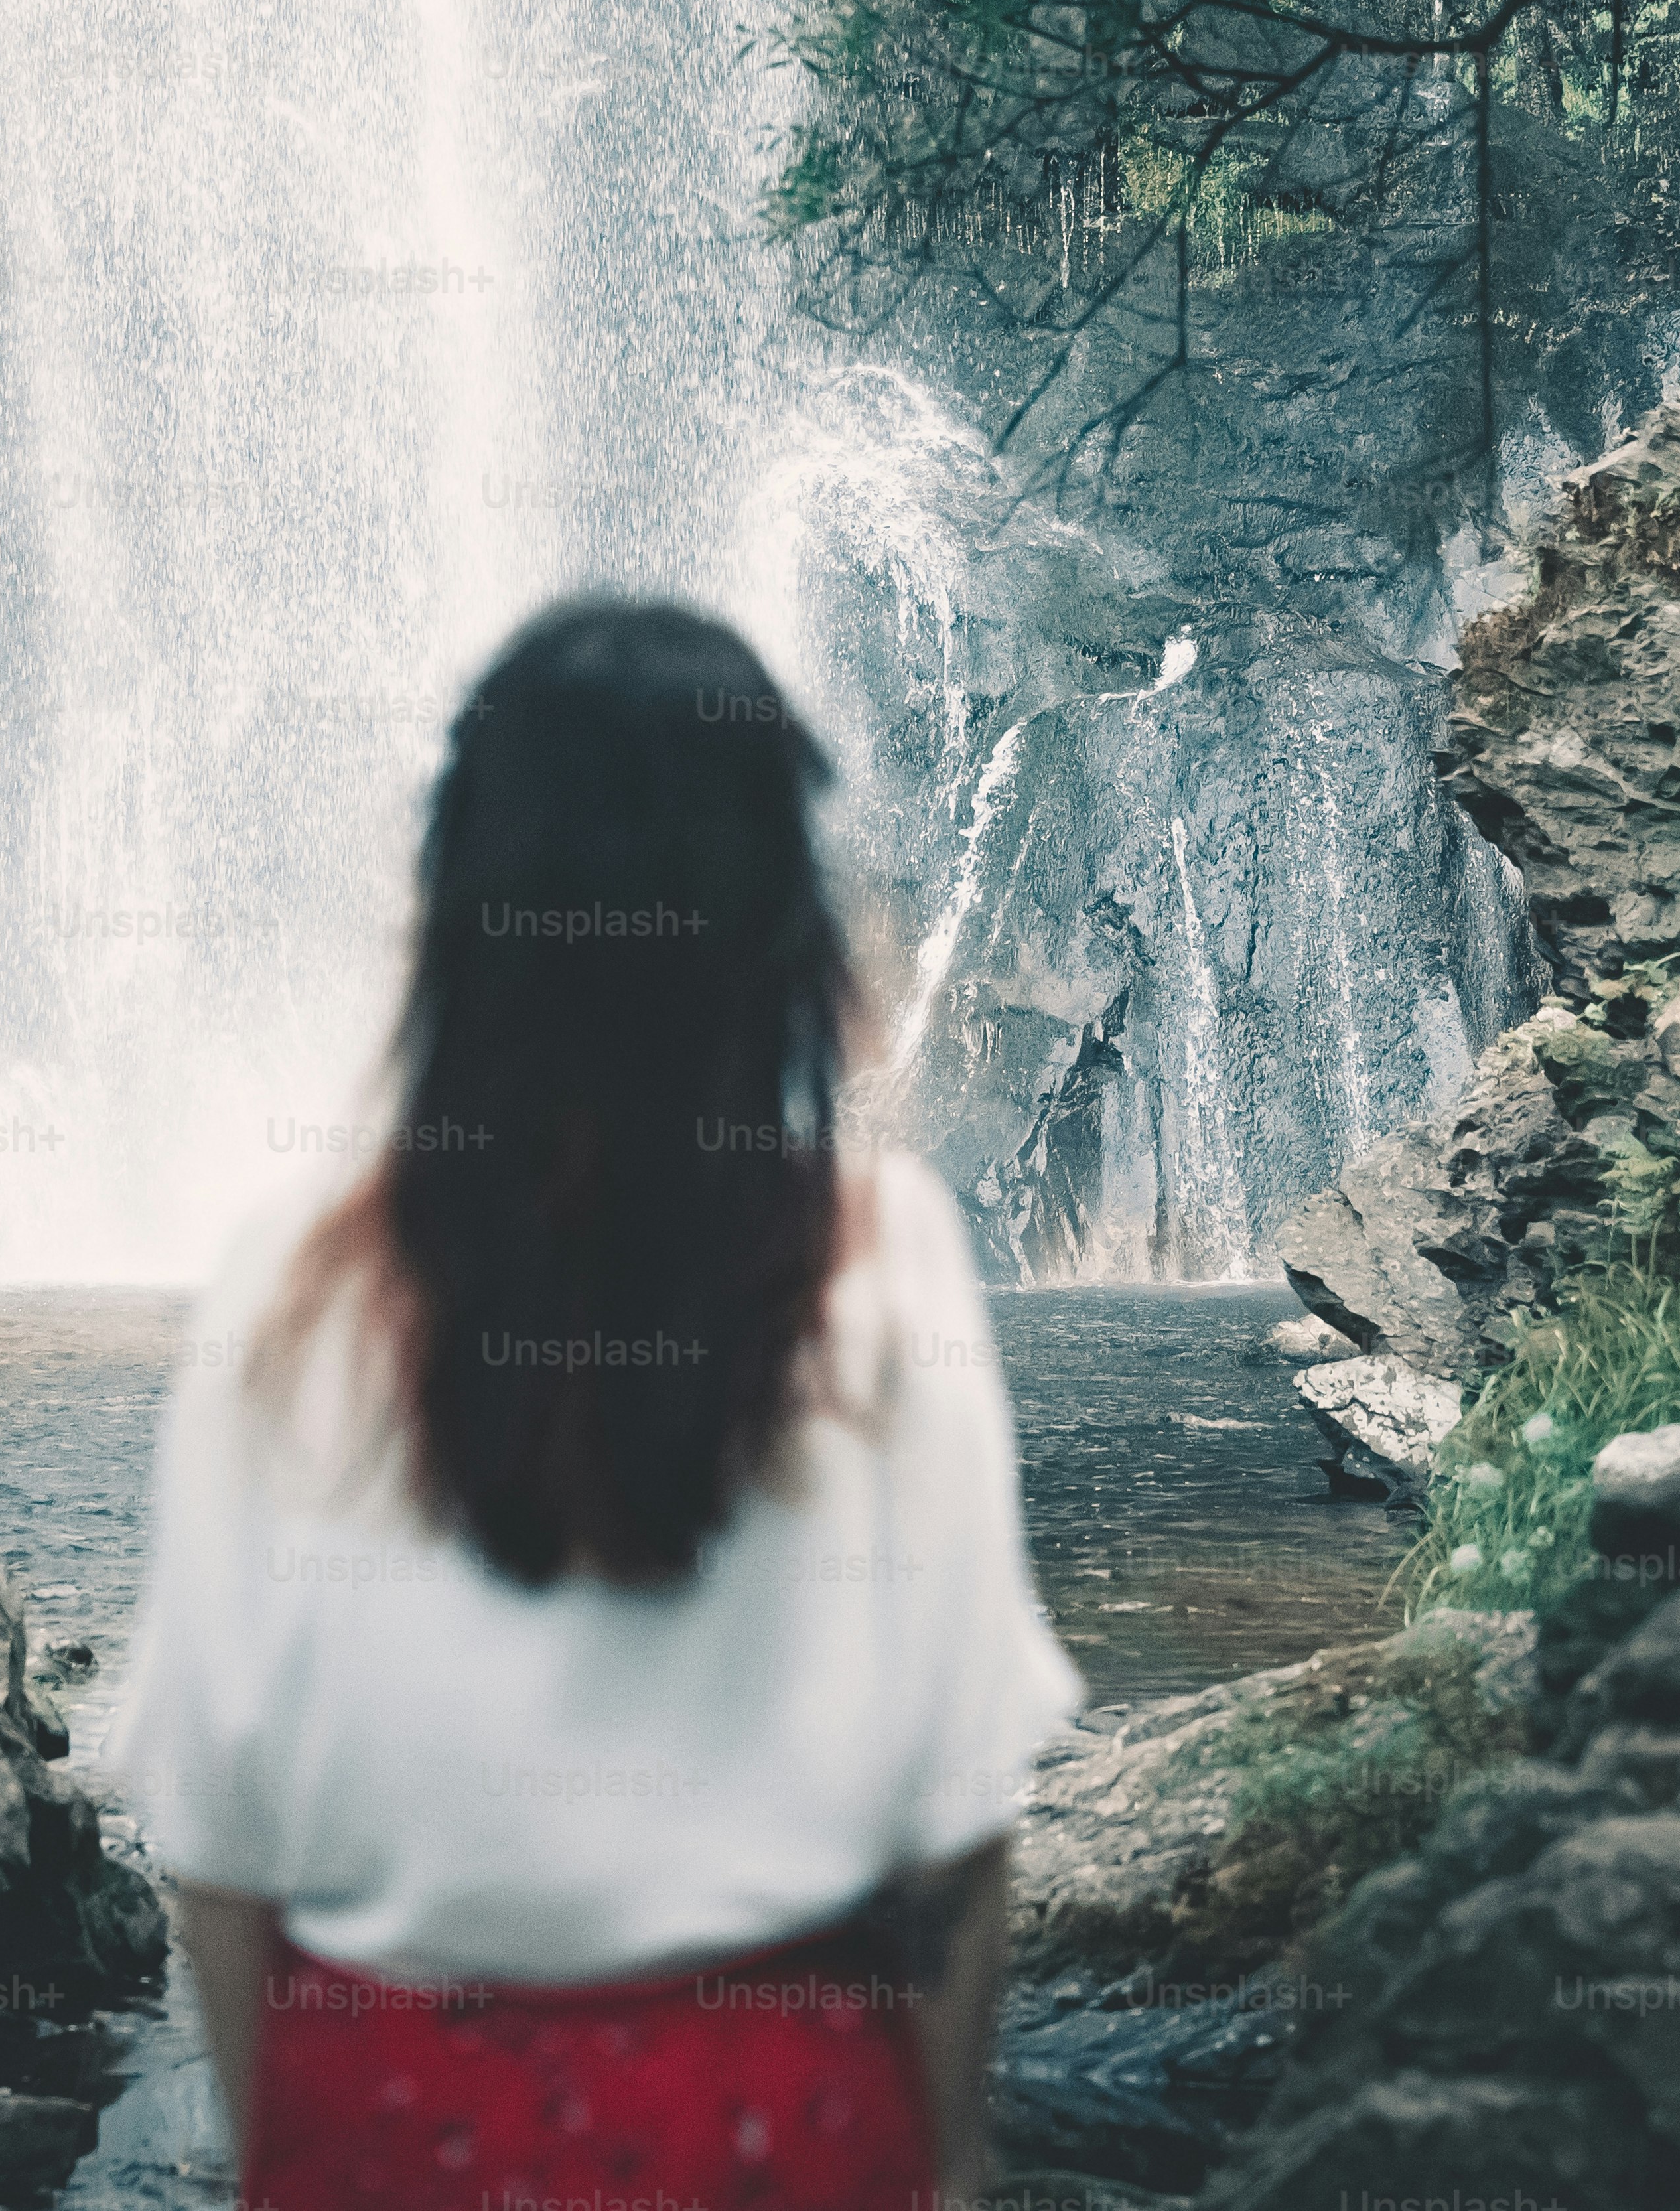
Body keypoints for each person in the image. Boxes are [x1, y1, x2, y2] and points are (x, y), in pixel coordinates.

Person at [103, 600, 1085, 2210]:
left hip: (395, 2127)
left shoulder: (289, 1282)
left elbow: (214, 1849)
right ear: (781, 921)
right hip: (778, 2131)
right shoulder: (883, 1255)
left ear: (459, 907)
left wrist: (289, 2154)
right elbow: (962, 1833)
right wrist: (953, 2174)